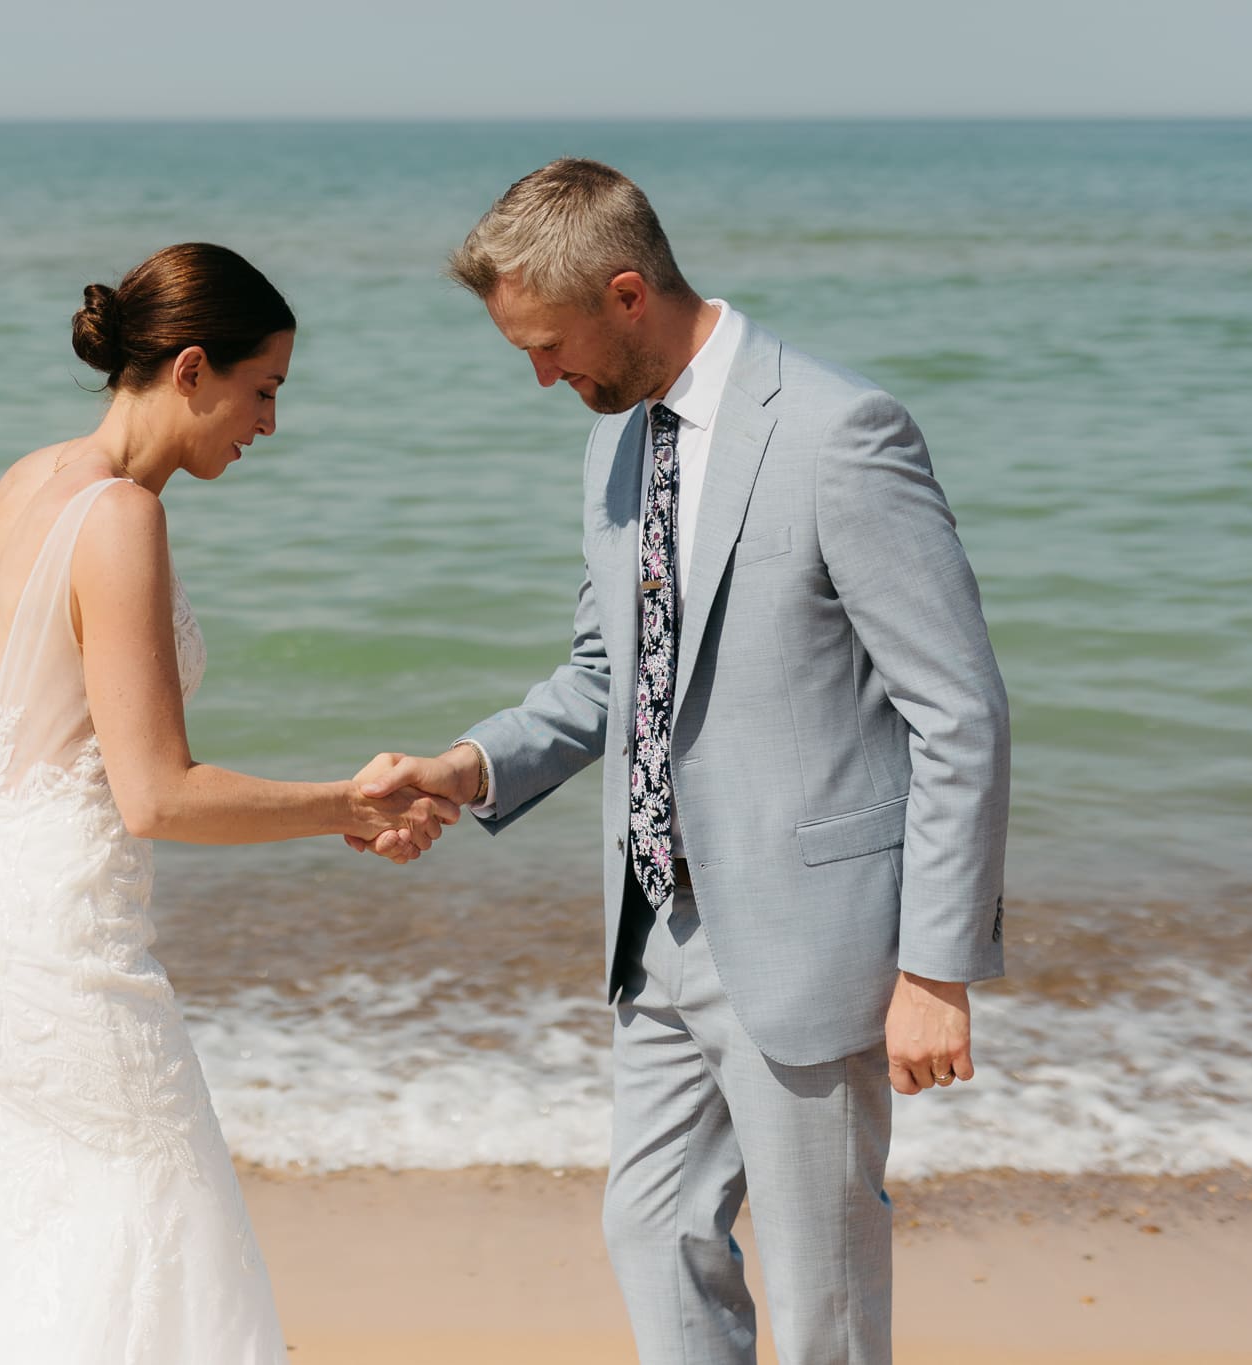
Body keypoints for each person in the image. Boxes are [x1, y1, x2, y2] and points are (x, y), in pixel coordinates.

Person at [357, 160, 1010, 1364]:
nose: (543, 378)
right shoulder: (613, 446)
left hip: (810, 936)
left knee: (823, 1298)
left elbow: (957, 711)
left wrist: (934, 966)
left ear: (623, 294)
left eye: (547, 347)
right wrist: (465, 766)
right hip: (650, 933)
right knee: (651, 1230)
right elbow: (606, 673)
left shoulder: (835, 431)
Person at [0, 242, 455, 1363]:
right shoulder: (119, 519)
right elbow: (155, 795)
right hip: (58, 944)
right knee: (155, 1223)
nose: (267, 425)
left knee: (26, 1239)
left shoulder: (26, 480)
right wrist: (347, 802)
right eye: (263, 391)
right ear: (192, 368)